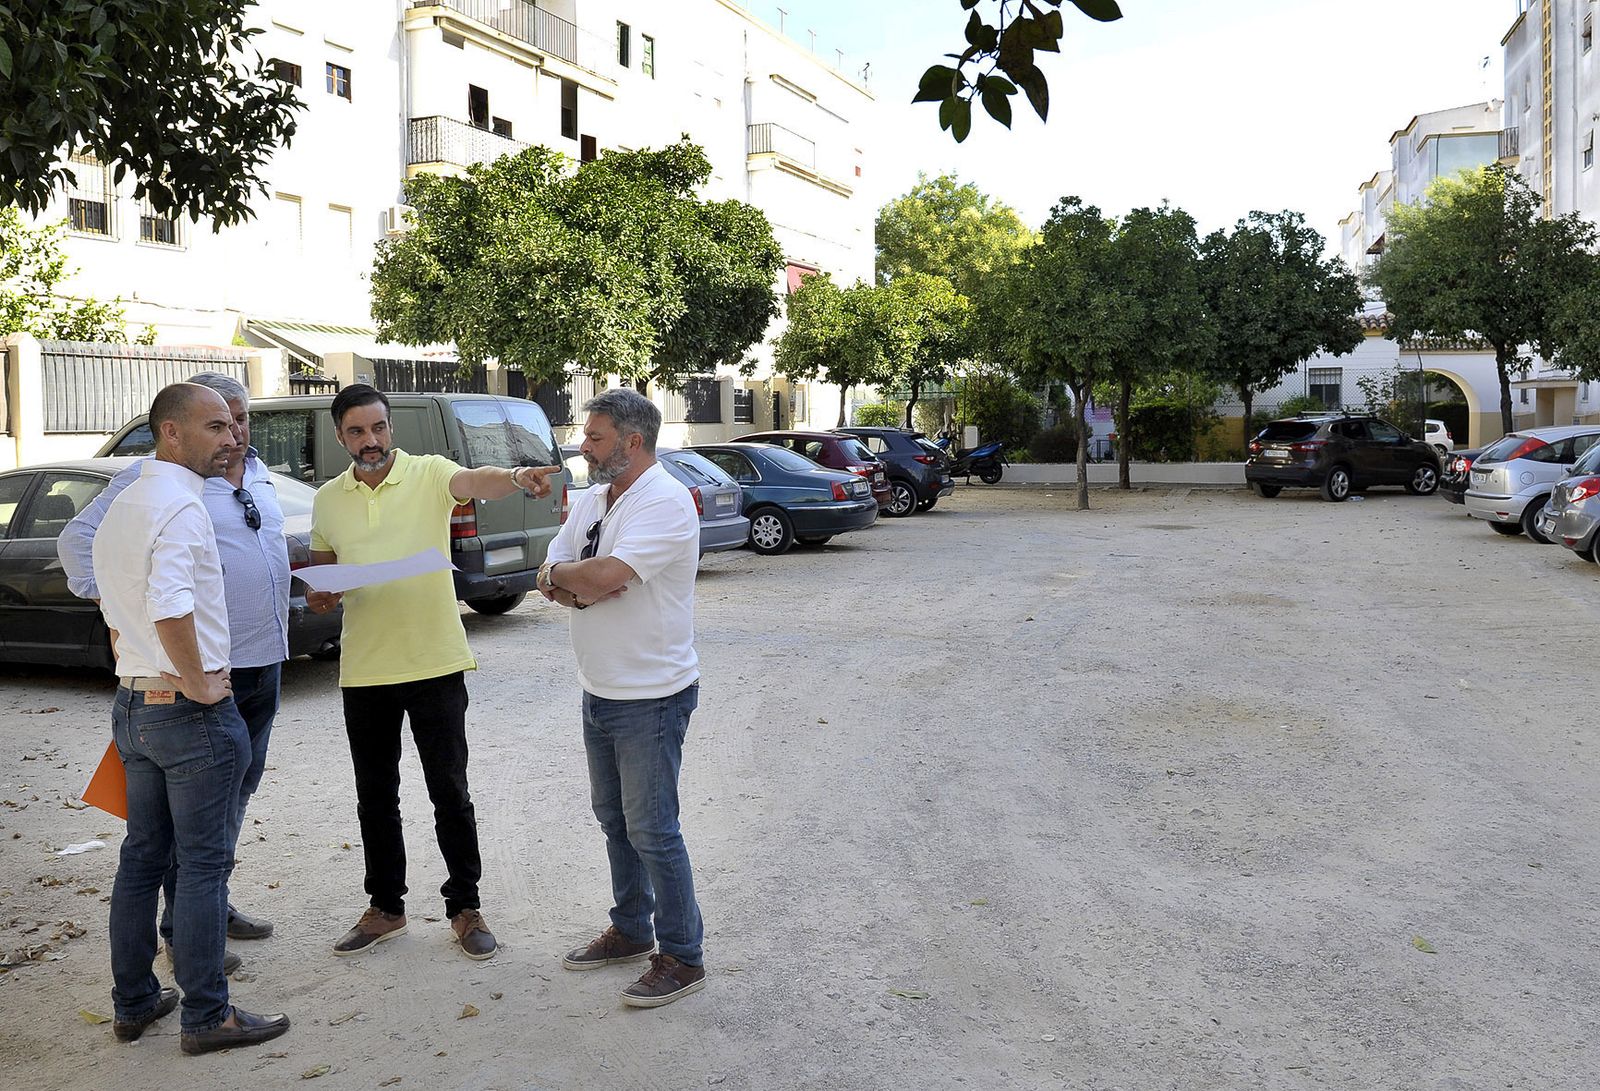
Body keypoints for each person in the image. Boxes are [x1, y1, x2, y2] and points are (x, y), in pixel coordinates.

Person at [305, 384, 560, 961]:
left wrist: (517, 477)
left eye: (379, 428)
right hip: (365, 669)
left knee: (450, 791)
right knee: (375, 796)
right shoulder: (328, 499)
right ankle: (385, 907)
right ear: (341, 436)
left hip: (436, 662)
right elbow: (324, 578)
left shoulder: (429, 472)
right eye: (357, 431)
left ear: (390, 427)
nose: (371, 440)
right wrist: (321, 596)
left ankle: (465, 907)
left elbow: (476, 481)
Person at [61, 372, 286, 975]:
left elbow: (129, 588)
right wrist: (193, 678)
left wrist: (128, 639)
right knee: (200, 857)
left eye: (237, 422)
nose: (232, 437)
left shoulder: (161, 496)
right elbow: (163, 600)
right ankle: (205, 1002)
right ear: (172, 432)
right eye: (217, 424)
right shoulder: (171, 496)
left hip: (171, 689)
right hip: (192, 699)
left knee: (150, 852)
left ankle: (137, 998)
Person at [539, 388, 706, 1008]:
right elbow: (553, 570)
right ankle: (633, 929)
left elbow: (605, 577)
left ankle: (683, 956)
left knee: (653, 830)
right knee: (615, 820)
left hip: (651, 696)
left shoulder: (663, 500)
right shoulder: (593, 499)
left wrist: (578, 581)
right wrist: (571, 582)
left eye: (595, 437)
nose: (582, 446)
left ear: (632, 442)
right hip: (600, 688)